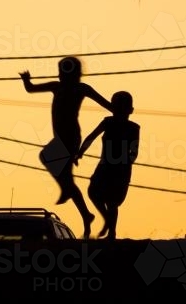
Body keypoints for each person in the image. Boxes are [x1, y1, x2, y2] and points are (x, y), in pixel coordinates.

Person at [20, 57, 111, 238]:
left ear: (74, 74)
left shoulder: (81, 88)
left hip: (70, 138)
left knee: (47, 158)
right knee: (67, 179)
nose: (60, 75)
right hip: (61, 138)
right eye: (60, 72)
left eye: (64, 72)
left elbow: (105, 104)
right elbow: (31, 89)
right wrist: (26, 80)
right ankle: (86, 215)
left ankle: (74, 199)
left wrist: (120, 109)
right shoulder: (56, 86)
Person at [76, 91, 140, 239]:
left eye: (122, 108)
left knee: (113, 202)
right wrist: (80, 152)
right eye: (117, 108)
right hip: (105, 167)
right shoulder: (108, 122)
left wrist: (125, 163)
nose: (119, 112)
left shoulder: (133, 128)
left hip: (121, 169)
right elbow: (91, 137)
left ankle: (112, 232)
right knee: (94, 191)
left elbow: (134, 151)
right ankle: (107, 221)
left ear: (130, 111)